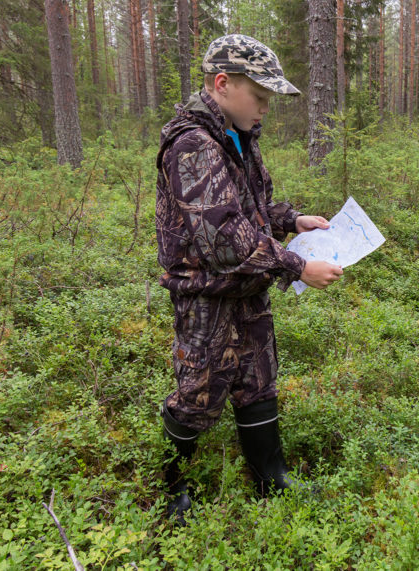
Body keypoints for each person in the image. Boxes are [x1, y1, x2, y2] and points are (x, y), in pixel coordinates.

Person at [154, 34, 343, 524]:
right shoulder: (193, 145)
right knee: (198, 394)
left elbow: (251, 209)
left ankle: (270, 476)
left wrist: (292, 219)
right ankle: (172, 486)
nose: (264, 109)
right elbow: (223, 237)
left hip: (249, 290)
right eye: (259, 97)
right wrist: (297, 265)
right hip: (208, 297)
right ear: (223, 84)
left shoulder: (239, 137)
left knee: (258, 382)